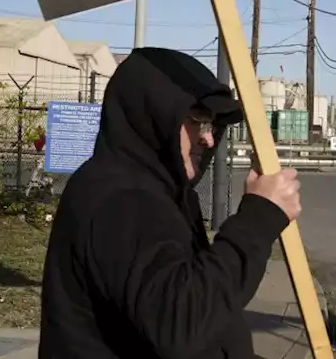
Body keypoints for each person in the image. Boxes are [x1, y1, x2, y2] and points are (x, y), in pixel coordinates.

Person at [39, 47, 303, 359]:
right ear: (153, 114)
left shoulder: (160, 191)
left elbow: (200, 308)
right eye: (198, 121)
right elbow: (182, 324)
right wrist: (258, 219)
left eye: (214, 126)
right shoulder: (121, 199)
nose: (208, 139)